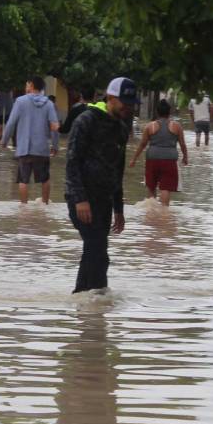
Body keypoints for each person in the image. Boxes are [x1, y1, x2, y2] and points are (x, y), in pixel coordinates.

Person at [65, 76, 136, 293]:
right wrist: (80, 199)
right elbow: (72, 161)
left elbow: (118, 169)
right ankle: (95, 300)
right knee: (97, 249)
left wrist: (119, 208)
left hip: (105, 199)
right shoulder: (86, 120)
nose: (129, 107)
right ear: (111, 98)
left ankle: (86, 302)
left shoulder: (122, 128)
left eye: (132, 103)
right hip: (82, 199)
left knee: (96, 250)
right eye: (125, 102)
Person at [2, 75, 60, 203]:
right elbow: (54, 127)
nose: (26, 86)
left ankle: (23, 208)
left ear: (32, 85)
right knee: (45, 179)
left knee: (23, 180)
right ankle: (45, 206)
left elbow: (11, 123)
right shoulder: (49, 104)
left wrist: (4, 141)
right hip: (42, 149)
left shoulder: (20, 102)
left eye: (27, 84)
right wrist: (55, 146)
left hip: (24, 149)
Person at [129, 99, 188, 206]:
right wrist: (185, 157)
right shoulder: (177, 126)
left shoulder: (149, 126)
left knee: (151, 186)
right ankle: (164, 214)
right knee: (166, 188)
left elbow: (142, 144)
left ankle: (151, 213)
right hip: (169, 160)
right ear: (169, 112)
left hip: (152, 159)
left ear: (157, 112)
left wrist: (134, 159)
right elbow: (182, 144)